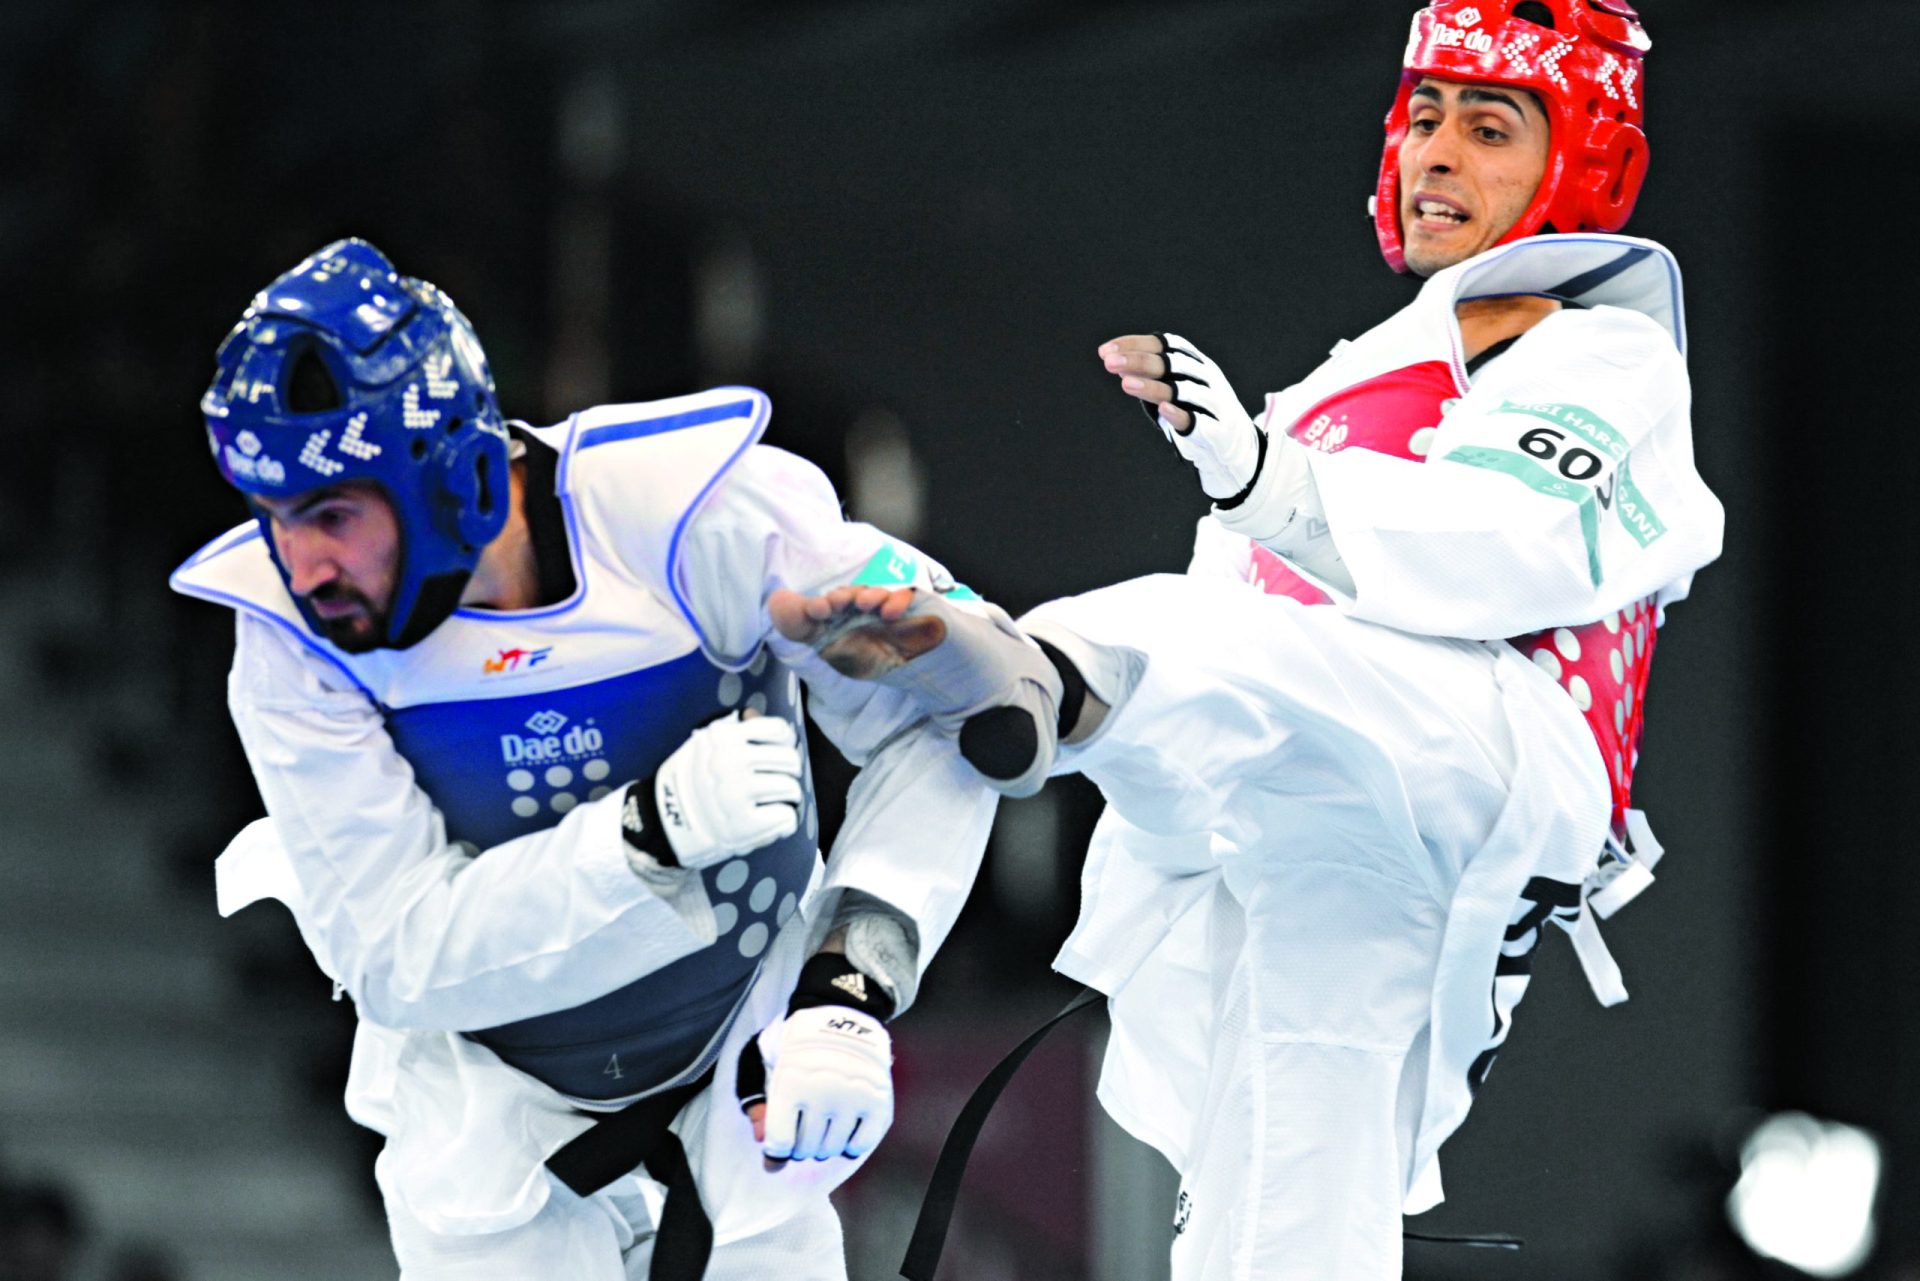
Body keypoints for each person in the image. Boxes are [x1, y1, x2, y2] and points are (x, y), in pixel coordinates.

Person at [769, 1, 1724, 1277]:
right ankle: (856, 977)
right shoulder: (1344, 382)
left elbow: (1503, 542)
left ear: (1581, 162)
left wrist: (1265, 478)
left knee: (1119, 649)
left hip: (1485, 759)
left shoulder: (1609, 357)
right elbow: (1248, 653)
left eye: (1489, 128)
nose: (1437, 154)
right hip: (1307, 811)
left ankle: (1051, 676)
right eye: (1425, 117)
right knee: (1268, 1203)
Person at [170, 239, 998, 1279]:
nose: (301, 565)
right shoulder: (290, 643)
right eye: (274, 518)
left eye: (331, 515)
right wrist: (645, 837)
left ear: (454, 480)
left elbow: (951, 711)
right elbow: (394, 953)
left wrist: (852, 979)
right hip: (492, 1137)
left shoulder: (695, 517)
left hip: (741, 1075)